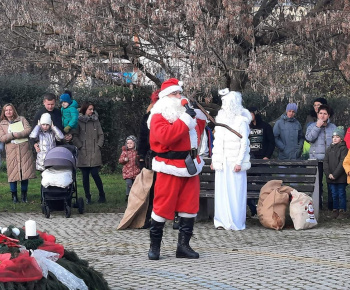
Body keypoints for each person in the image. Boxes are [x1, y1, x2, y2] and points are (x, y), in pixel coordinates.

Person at [147, 78, 207, 260]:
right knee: (162, 206)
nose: (179, 97)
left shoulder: (183, 115)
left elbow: (198, 131)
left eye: (180, 93)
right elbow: (167, 137)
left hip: (189, 166)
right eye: (175, 94)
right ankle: (155, 247)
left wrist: (198, 114)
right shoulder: (158, 116)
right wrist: (187, 118)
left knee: (189, 206)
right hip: (169, 167)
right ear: (165, 97)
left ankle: (183, 246)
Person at [211, 88, 251, 230]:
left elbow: (244, 143)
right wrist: (215, 160)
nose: (223, 107)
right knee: (222, 192)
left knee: (235, 193)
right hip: (223, 162)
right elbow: (217, 142)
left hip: (235, 162)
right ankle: (221, 220)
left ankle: (235, 221)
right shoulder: (220, 120)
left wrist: (239, 162)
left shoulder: (241, 121)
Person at [0, 103, 36, 203]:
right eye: (6, 110)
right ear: (4, 112)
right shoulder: (2, 124)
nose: (8, 112)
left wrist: (19, 134)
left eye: (10, 110)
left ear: (13, 110)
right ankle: (14, 196)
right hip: (11, 151)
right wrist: (12, 135)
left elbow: (28, 129)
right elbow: (2, 138)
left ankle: (24, 195)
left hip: (24, 149)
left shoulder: (22, 119)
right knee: (12, 174)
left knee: (24, 172)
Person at [72, 102, 106, 204]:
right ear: (85, 110)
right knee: (85, 176)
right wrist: (80, 146)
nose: (92, 111)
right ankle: (88, 197)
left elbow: (101, 134)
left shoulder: (96, 121)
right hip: (83, 152)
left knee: (95, 174)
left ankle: (102, 195)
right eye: (90, 109)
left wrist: (98, 145)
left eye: (92, 109)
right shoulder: (78, 121)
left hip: (95, 151)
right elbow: (75, 135)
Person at [305, 104, 336, 210]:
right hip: (316, 159)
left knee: (331, 183)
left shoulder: (333, 128)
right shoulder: (311, 126)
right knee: (317, 184)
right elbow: (309, 138)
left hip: (330, 160)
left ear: (329, 115)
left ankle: (332, 207)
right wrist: (317, 127)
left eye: (325, 114)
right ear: (317, 114)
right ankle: (318, 206)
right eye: (320, 113)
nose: (322, 116)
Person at [247, 106, 275, 218]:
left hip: (262, 159)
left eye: (251, 113)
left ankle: (263, 209)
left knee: (263, 185)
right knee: (248, 185)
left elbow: (271, 142)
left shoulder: (266, 127)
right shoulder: (244, 127)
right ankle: (253, 209)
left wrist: (267, 156)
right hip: (249, 160)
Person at [323, 126, 348, 219]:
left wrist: (335, 174)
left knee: (341, 193)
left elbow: (342, 163)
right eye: (333, 137)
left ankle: (342, 211)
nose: (335, 138)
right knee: (334, 194)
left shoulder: (343, 149)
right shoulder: (329, 148)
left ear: (341, 139)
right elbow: (325, 162)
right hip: (330, 177)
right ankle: (335, 210)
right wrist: (328, 173)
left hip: (340, 177)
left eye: (337, 137)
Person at [119, 135, 141, 201]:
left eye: (131, 143)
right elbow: (120, 160)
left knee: (135, 184)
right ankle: (128, 195)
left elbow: (139, 161)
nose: (129, 145)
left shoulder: (136, 152)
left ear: (135, 143)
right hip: (127, 172)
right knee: (129, 184)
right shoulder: (125, 152)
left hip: (136, 172)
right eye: (128, 143)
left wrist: (139, 159)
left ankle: (135, 196)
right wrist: (124, 159)